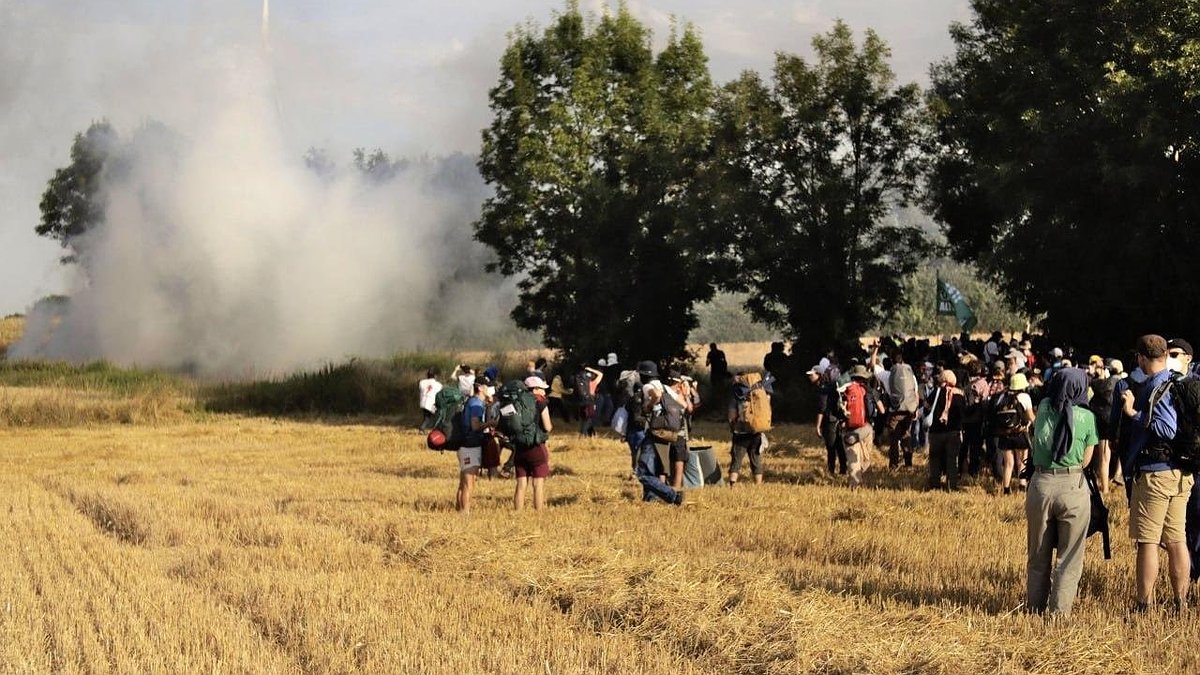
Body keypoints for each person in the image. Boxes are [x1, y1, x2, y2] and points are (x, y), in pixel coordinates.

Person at [1120, 334, 1194, 612]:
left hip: (1155, 473)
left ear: (1140, 357)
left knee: (1148, 541)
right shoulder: (1178, 383)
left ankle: (1144, 604)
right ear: (1165, 354)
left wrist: (1133, 413)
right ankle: (1181, 601)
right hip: (1180, 473)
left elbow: (1167, 428)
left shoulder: (1156, 386)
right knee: (1176, 539)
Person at [1025, 367, 1097, 617]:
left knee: (1038, 555)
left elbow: (1034, 427)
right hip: (1072, 486)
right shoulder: (1087, 417)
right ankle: (1058, 614)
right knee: (1069, 557)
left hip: (1041, 483)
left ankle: (1033, 609)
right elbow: (1087, 461)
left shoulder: (1044, 407)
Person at [991, 372, 1035, 495]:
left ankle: (1006, 489)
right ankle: (1022, 487)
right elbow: (1031, 417)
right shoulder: (1025, 397)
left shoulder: (1003, 396)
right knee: (1022, 461)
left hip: (1005, 433)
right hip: (1020, 433)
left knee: (1008, 463)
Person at [514, 376, 554, 511]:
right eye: (542, 389)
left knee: (521, 484)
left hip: (519, 447)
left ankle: (517, 514)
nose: (544, 392)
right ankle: (538, 514)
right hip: (536, 447)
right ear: (535, 389)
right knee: (537, 484)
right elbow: (548, 427)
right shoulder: (541, 403)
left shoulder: (517, 402)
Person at [456, 379, 494, 514]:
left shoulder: (471, 401)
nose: (490, 389)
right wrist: (490, 423)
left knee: (463, 482)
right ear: (481, 388)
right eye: (488, 387)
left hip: (464, 445)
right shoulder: (477, 404)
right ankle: (465, 512)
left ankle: (459, 509)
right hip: (470, 446)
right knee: (469, 482)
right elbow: (475, 426)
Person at [728, 371, 771, 487]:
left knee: (736, 460)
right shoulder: (760, 393)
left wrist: (733, 427)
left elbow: (731, 416)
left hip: (740, 432)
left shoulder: (736, 396)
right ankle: (758, 485)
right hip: (756, 431)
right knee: (756, 459)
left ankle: (732, 485)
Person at [841, 365, 879, 488]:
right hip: (866, 427)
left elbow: (840, 408)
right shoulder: (868, 390)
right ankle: (868, 483)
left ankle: (854, 484)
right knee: (866, 455)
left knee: (853, 457)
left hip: (850, 429)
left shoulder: (847, 390)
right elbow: (882, 410)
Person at [927, 369, 965, 491]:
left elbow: (927, 406)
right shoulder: (959, 394)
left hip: (936, 431)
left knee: (935, 458)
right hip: (953, 432)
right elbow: (961, 413)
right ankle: (951, 485)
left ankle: (935, 484)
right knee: (952, 460)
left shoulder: (936, 393)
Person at [810, 365, 847, 476]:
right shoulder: (837, 388)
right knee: (840, 446)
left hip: (829, 421)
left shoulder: (824, 390)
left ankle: (831, 471)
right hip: (839, 420)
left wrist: (818, 426)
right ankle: (843, 470)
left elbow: (822, 409)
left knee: (831, 448)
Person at [417, 367, 442, 431]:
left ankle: (423, 427)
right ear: (435, 376)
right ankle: (423, 428)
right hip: (431, 403)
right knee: (435, 416)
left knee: (427, 417)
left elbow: (419, 386)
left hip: (423, 402)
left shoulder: (422, 382)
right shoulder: (438, 384)